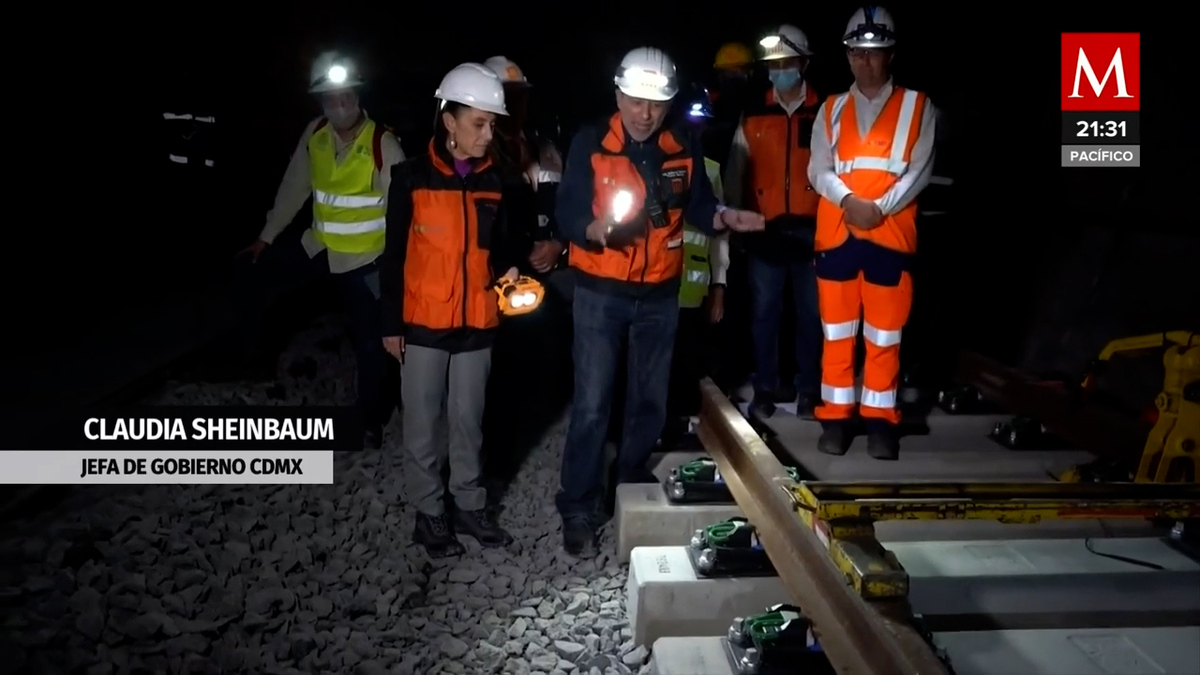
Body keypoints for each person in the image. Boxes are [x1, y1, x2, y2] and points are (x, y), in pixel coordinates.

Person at [555, 47, 767, 558]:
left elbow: (694, 205)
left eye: (656, 103)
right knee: (592, 403)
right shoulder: (591, 141)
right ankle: (579, 503)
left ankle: (627, 481)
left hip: (659, 294)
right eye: (635, 100)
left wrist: (721, 217)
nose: (644, 114)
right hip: (601, 293)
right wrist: (592, 230)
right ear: (618, 95)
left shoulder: (682, 143)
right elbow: (566, 210)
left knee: (649, 400)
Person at [379, 63, 520, 557]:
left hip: (478, 322)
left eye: (492, 124)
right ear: (449, 121)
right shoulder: (411, 178)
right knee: (422, 423)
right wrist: (390, 324)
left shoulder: (495, 183)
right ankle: (429, 514)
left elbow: (497, 249)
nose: (488, 133)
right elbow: (392, 256)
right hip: (422, 325)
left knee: (468, 422)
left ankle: (468, 505)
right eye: (479, 123)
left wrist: (509, 271)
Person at [236, 50, 404, 450]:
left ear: (358, 96)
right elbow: (295, 186)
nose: (338, 105)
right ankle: (253, 364)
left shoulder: (384, 144)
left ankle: (369, 420)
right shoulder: (315, 135)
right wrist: (268, 235)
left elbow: (403, 215)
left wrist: (401, 271)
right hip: (322, 250)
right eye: (330, 98)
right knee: (252, 274)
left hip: (366, 262)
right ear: (320, 102)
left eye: (345, 96)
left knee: (370, 341)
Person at [806, 6, 937, 460]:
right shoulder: (830, 110)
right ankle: (836, 421)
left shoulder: (920, 107)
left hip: (889, 239)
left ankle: (881, 424)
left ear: (891, 54)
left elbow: (919, 172)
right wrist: (848, 202)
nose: (865, 61)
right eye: (858, 52)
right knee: (837, 336)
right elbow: (817, 168)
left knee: (885, 337)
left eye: (875, 52)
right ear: (847, 56)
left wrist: (876, 209)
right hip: (838, 239)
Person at [480, 56, 573, 479]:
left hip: (550, 268)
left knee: (550, 356)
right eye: (504, 97)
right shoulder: (482, 153)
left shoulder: (546, 145)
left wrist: (558, 245)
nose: (512, 105)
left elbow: (570, 207)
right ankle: (496, 459)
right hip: (505, 275)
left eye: (518, 97)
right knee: (500, 369)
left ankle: (543, 436)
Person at [725, 24, 824, 420]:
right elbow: (736, 169)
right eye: (773, 65)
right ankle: (765, 387)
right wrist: (734, 220)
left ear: (803, 63)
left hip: (812, 230)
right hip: (764, 230)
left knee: (811, 315)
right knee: (764, 313)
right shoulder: (754, 112)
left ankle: (810, 390)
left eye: (786, 63)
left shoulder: (826, 112)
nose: (779, 70)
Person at [661, 84, 731, 449]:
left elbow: (721, 238)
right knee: (658, 365)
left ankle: (685, 428)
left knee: (688, 363)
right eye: (691, 122)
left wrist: (719, 289)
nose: (696, 131)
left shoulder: (713, 170)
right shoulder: (659, 162)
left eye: (702, 124)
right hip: (659, 284)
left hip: (694, 289)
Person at [707, 42, 755, 168]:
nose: (732, 77)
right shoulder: (710, 106)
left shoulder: (760, 106)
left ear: (750, 72)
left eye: (737, 72)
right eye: (728, 72)